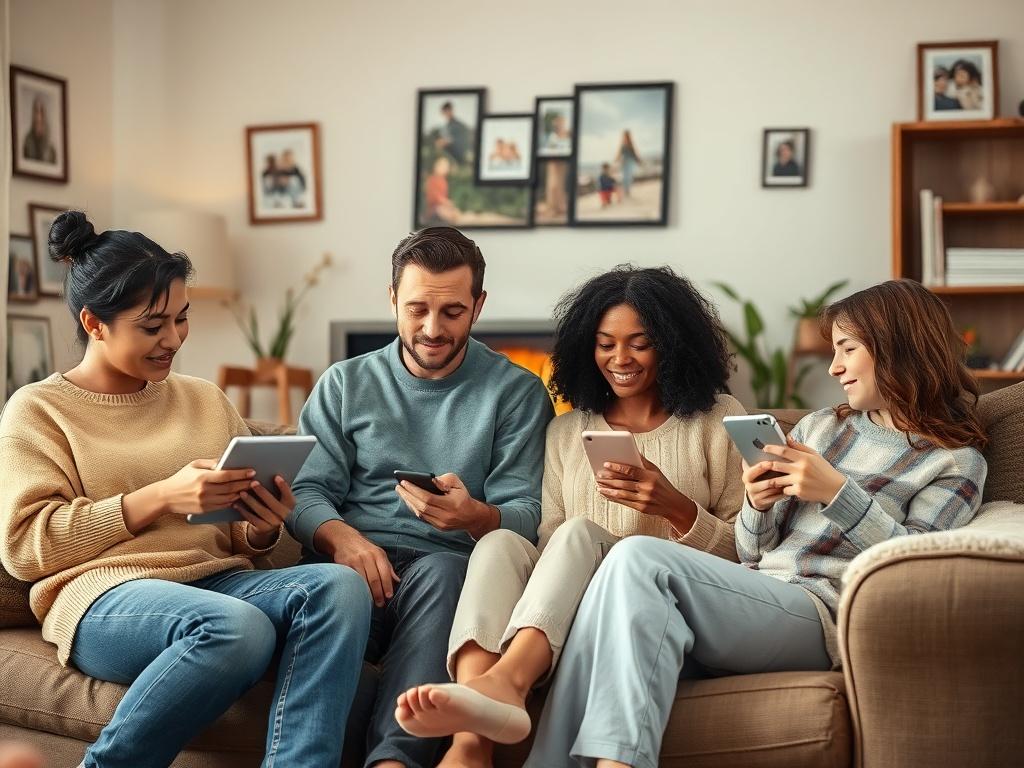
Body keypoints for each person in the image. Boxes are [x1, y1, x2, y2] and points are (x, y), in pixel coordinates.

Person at [521, 278, 988, 768]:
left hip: (825, 614)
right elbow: (751, 553)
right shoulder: (821, 426)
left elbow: (915, 568)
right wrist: (758, 505)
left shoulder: (954, 461)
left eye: (848, 349)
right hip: (759, 593)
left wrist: (836, 493)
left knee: (635, 557)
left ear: (899, 349)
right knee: (611, 600)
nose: (834, 367)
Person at [0, 211, 372, 768]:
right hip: (102, 598)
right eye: (152, 326)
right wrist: (161, 497)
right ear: (94, 323)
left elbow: (242, 541)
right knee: (235, 627)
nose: (173, 339)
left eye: (181, 318)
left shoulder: (204, 398)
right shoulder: (39, 410)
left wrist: (261, 524)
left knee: (338, 587)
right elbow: (27, 548)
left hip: (219, 581)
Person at [395, 266, 746, 767]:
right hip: (564, 622)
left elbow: (747, 551)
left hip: (652, 615)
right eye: (605, 344)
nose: (619, 359)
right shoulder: (566, 433)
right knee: (498, 543)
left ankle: (509, 682)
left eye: (639, 344)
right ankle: (472, 739)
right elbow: (547, 548)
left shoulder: (717, 420)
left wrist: (675, 508)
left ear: (673, 344)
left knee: (579, 531)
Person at [287, 226, 554, 768]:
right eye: (416, 310)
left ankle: (394, 762)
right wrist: (344, 540)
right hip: (349, 572)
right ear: (392, 300)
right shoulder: (345, 383)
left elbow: (528, 513)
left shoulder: (517, 393)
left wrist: (476, 516)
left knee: (441, 572)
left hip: (445, 576)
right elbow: (304, 489)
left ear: (479, 306)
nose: (432, 329)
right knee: (334, 593)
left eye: (453, 312)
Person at [423, 156, 461, 225]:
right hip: (433, 209)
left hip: (442, 206)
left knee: (455, 212)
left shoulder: (444, 181)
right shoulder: (432, 180)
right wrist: (445, 202)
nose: (444, 168)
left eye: (446, 166)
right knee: (442, 211)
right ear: (435, 166)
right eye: (442, 165)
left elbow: (444, 197)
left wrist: (448, 204)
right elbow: (435, 197)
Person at [22, 96, 57, 164]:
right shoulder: (28, 140)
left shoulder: (50, 145)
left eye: (41, 111)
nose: (38, 116)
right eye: (36, 111)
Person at [436, 101, 471, 166]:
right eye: (444, 112)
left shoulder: (459, 125)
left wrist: (446, 141)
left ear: (451, 110)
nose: (446, 113)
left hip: (457, 154)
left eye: (447, 111)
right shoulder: (445, 127)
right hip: (448, 153)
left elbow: (461, 141)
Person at [615, 130, 641, 198]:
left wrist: (638, 161)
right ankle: (625, 191)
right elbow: (619, 154)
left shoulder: (631, 144)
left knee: (629, 177)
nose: (625, 137)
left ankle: (627, 191)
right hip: (624, 162)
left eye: (627, 135)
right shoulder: (622, 144)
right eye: (625, 135)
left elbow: (634, 154)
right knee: (624, 177)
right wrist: (616, 160)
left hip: (630, 162)